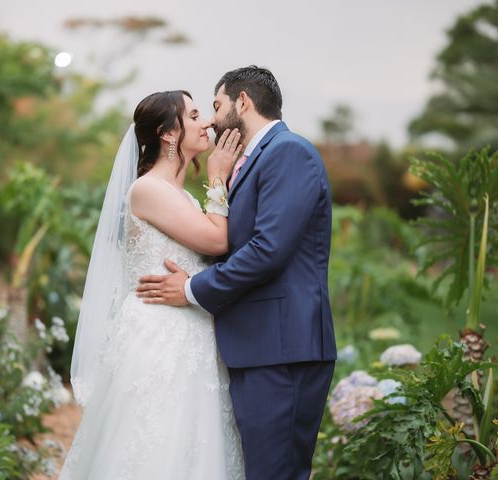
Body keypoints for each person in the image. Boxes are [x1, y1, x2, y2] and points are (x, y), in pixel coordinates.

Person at [137, 66, 337, 480]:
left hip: (283, 348)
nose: (210, 120)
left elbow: (268, 250)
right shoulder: (252, 161)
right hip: (258, 347)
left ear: (242, 102)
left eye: (215, 106)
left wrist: (191, 288)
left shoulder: (289, 152)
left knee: (275, 472)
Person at [59, 90, 245, 479]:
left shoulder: (184, 199)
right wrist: (217, 177)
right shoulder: (147, 190)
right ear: (167, 133)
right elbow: (215, 241)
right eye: (194, 115)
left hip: (192, 333)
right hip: (158, 338)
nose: (207, 122)